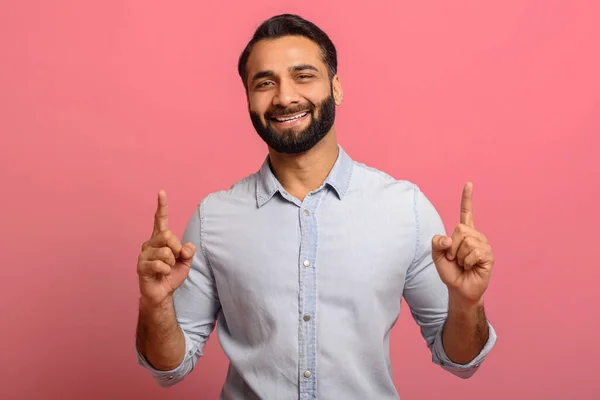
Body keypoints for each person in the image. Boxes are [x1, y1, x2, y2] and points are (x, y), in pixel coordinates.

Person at [135, 13, 497, 400]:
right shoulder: (213, 219)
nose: (285, 96)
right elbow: (169, 369)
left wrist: (466, 303)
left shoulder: (404, 208)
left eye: (303, 76)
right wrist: (154, 304)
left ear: (336, 88)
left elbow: (462, 362)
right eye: (265, 83)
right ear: (248, 100)